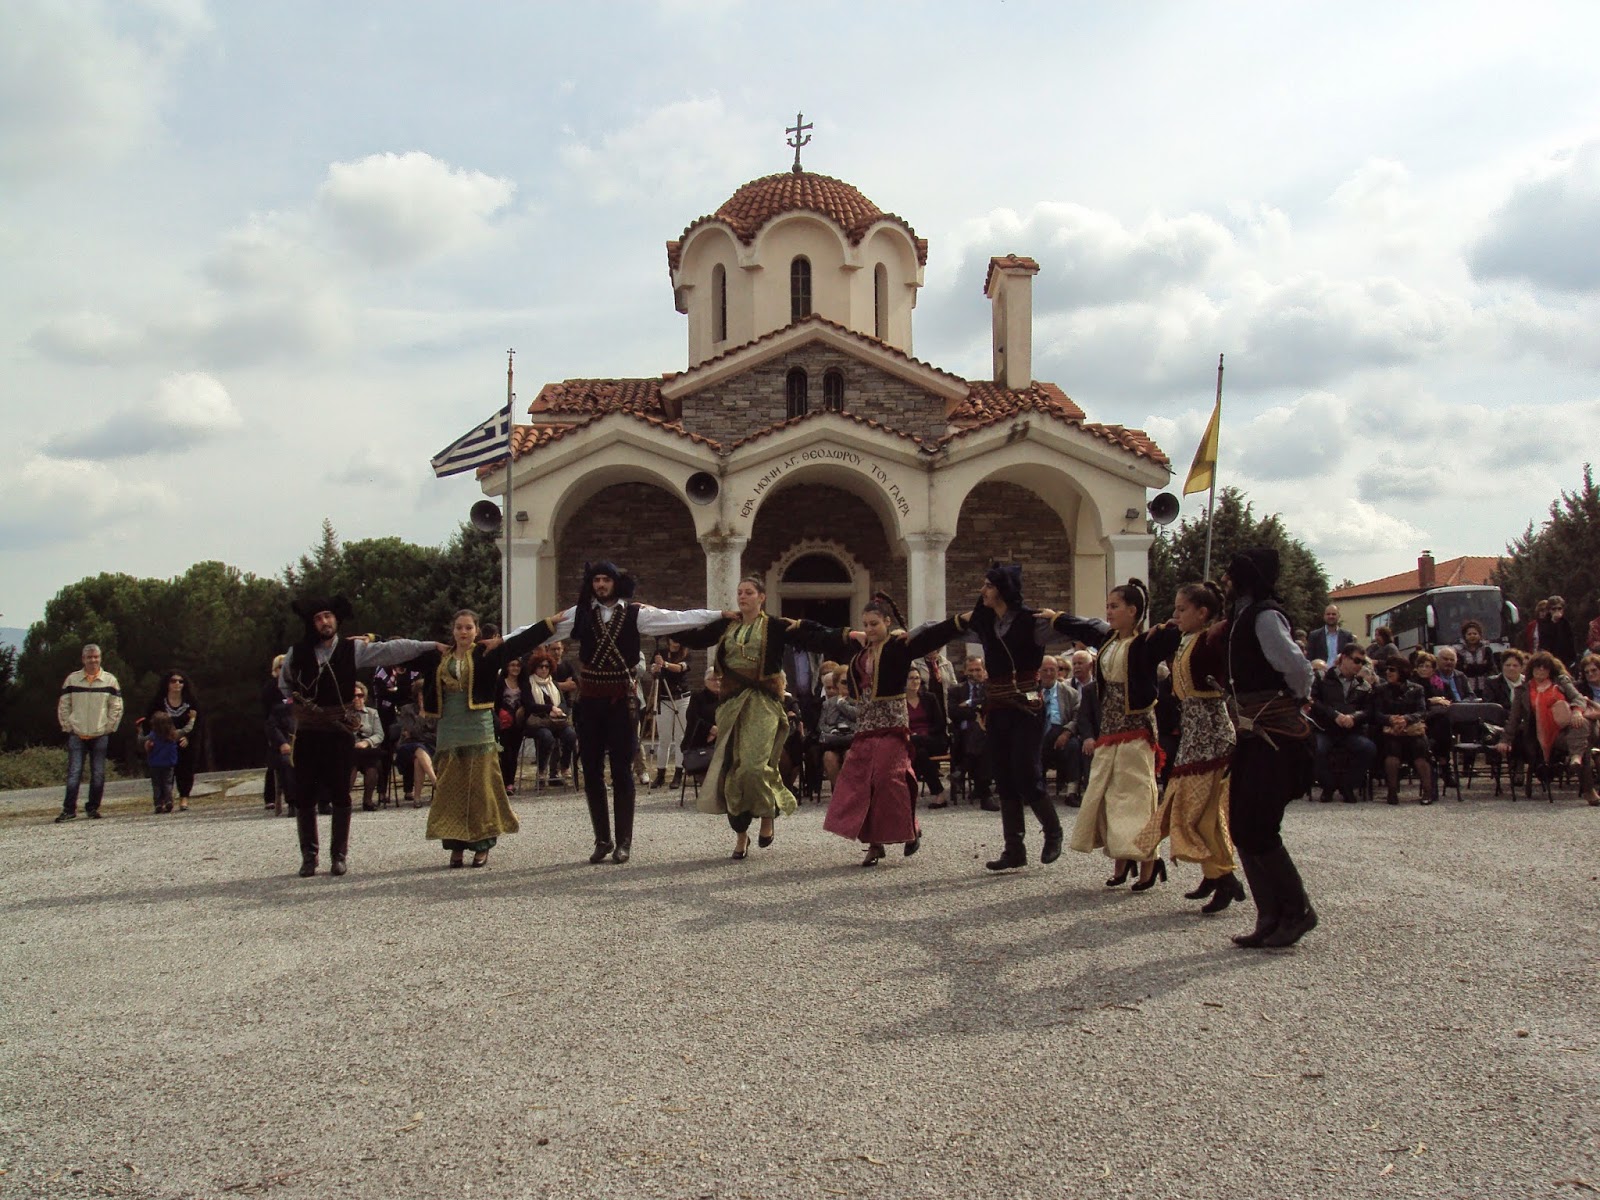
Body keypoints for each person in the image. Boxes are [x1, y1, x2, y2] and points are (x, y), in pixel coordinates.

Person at [506, 561, 723, 864]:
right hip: (590, 702)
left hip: (622, 702)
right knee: (592, 770)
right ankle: (602, 840)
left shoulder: (637, 614)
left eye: (606, 579)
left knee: (622, 770)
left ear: (616, 583)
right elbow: (540, 632)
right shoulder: (581, 613)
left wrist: (719, 615)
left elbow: (677, 619)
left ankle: (624, 842)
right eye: (596, 579)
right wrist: (502, 642)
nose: (601, 585)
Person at [278, 596, 442, 877]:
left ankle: (338, 856)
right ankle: (309, 857)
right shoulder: (297, 652)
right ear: (311, 623)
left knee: (341, 794)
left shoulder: (351, 649)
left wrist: (431, 646)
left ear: (336, 619)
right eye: (318, 618)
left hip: (340, 731)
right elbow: (284, 686)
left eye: (328, 616)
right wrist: (297, 709)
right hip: (308, 731)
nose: (324, 622)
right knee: (305, 795)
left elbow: (391, 650)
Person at [674, 576, 837, 859]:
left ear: (761, 597)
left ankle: (767, 813)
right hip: (731, 704)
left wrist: (850, 636)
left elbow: (812, 635)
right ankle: (740, 834)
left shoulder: (774, 626)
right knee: (732, 768)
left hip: (763, 702)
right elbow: (697, 638)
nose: (742, 597)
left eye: (748, 592)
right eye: (739, 592)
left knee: (753, 766)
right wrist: (659, 621)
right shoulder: (728, 625)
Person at [925, 564, 1074, 873]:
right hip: (998, 708)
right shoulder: (985, 624)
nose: (983, 591)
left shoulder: (1032, 622)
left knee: (1027, 772)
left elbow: (1076, 629)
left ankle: (1053, 831)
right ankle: (1014, 849)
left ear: (1003, 590)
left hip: (1027, 707)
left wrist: (1061, 619)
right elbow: (944, 629)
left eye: (988, 586)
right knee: (1004, 775)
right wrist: (911, 637)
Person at [1221, 547, 1316, 949]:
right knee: (1242, 826)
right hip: (1250, 734)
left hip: (1274, 734)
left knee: (1259, 825)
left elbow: (1297, 667)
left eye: (1231, 575)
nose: (1225, 581)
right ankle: (1269, 916)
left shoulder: (1264, 616)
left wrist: (1296, 699)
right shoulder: (1241, 616)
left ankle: (1297, 911)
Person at [813, 592, 951, 866]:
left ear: (887, 622)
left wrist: (909, 634)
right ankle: (874, 844)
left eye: (874, 623)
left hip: (892, 723)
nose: (869, 629)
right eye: (865, 624)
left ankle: (910, 827)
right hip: (866, 723)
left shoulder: (899, 645)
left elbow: (931, 633)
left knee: (889, 777)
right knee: (861, 780)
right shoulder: (862, 651)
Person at [1132, 581, 1244, 911]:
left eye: (1182, 609)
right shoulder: (1186, 639)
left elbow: (1229, 632)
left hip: (1212, 737)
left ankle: (1224, 877)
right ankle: (1214, 874)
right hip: (1194, 738)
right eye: (1176, 609)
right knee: (1187, 808)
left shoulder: (1211, 640)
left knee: (1203, 814)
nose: (1176, 615)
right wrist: (1163, 628)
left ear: (1203, 613)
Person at [410, 610, 545, 868]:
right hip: (450, 727)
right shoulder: (440, 655)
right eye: (459, 627)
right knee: (450, 788)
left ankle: (482, 844)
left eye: (468, 627)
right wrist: (371, 639)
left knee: (481, 787)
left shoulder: (486, 653)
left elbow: (521, 642)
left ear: (476, 630)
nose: (463, 632)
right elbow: (401, 652)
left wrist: (551, 623)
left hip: (478, 727)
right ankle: (456, 845)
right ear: (453, 630)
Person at [1053, 580, 1163, 887]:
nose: (1109, 612)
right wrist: (1055, 618)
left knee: (1137, 796)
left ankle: (1149, 861)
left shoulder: (1144, 643)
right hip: (1110, 728)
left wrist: (1172, 624)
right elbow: (1085, 627)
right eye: (1108, 606)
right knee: (1109, 795)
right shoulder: (1109, 640)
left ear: (1133, 611)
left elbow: (1169, 639)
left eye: (1115, 606)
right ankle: (1121, 860)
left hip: (1136, 728)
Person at [1497, 651, 1595, 803]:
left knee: (1581, 724)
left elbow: (1578, 698)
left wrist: (1576, 711)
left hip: (1567, 729)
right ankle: (1587, 786)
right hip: (1542, 735)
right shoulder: (1523, 690)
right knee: (1583, 746)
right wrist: (1505, 740)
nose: (1541, 670)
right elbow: (1514, 719)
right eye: (1537, 667)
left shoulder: (1561, 682)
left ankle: (1577, 759)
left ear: (1550, 669)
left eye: (1545, 667)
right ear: (1531, 669)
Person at [55, 644, 123, 823]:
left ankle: (92, 808)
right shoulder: (72, 680)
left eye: (96, 657)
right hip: (77, 734)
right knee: (74, 773)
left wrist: (109, 727)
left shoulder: (110, 681)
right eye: (89, 657)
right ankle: (69, 810)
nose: (93, 660)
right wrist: (67, 725)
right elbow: (64, 704)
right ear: (83, 659)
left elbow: (116, 706)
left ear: (100, 658)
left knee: (98, 774)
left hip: (100, 734)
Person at [1310, 645, 1376, 803]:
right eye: (1356, 660)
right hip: (1325, 729)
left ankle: (1348, 785)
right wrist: (1334, 715)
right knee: (1316, 749)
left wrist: (1354, 717)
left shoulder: (1363, 685)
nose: (1359, 665)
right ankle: (1328, 786)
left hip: (1350, 732)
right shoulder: (1322, 678)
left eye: (1362, 662)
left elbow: (1369, 710)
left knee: (1368, 748)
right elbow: (1314, 701)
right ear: (1344, 658)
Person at [1373, 658, 1432, 805]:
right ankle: (1392, 791)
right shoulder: (1381, 690)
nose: (1388, 672)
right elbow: (1376, 713)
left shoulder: (1416, 689)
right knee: (1392, 750)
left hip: (1412, 730)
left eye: (1392, 670)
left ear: (1402, 672)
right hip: (1391, 731)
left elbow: (1422, 712)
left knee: (1419, 748)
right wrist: (1391, 719)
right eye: (1387, 669)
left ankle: (1427, 791)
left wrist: (1406, 719)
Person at [141, 672, 200, 811]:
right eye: (173, 681)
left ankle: (184, 797)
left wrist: (189, 737)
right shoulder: (158, 702)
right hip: (162, 745)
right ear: (167, 683)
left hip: (183, 742)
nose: (177, 684)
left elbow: (197, 723)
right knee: (162, 776)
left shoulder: (191, 702)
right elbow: (147, 722)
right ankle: (163, 801)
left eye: (180, 681)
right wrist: (149, 740)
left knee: (185, 770)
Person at [523, 652, 576, 786]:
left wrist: (559, 711)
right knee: (546, 737)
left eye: (547, 666)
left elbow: (563, 703)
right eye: (540, 666)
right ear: (534, 668)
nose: (544, 669)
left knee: (571, 735)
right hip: (538, 722)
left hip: (556, 721)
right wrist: (550, 709)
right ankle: (542, 770)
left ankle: (564, 766)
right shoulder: (528, 684)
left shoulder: (554, 684)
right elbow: (530, 706)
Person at [947, 657, 992, 807]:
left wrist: (969, 703)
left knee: (982, 739)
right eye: (971, 670)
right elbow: (953, 713)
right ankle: (985, 794)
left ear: (984, 671)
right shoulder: (955, 690)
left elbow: (990, 705)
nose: (974, 673)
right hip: (962, 736)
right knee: (978, 733)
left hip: (988, 733)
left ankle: (962, 770)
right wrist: (976, 714)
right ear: (965, 672)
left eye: (978, 670)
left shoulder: (990, 688)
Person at [649, 638, 693, 789]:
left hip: (682, 698)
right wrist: (655, 668)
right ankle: (660, 774)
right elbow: (653, 670)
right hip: (664, 699)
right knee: (664, 738)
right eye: (673, 638)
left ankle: (678, 774)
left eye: (679, 638)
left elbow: (681, 668)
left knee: (681, 737)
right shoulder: (659, 653)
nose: (676, 641)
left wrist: (665, 664)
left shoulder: (686, 654)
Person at [905, 667, 949, 807]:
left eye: (917, 678)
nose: (915, 681)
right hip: (912, 743)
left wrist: (921, 735)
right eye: (911, 678)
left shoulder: (930, 698)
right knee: (920, 753)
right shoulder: (900, 702)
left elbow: (940, 724)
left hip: (934, 739)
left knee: (915, 743)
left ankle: (908, 792)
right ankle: (939, 794)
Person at [1038, 656, 1080, 800]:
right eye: (1045, 670)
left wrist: (1067, 733)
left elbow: (1077, 717)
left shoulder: (1070, 693)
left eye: (1052, 670)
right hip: (1039, 732)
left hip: (1062, 731)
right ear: (1039, 672)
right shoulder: (1033, 691)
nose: (1049, 673)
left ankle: (1072, 792)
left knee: (1074, 746)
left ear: (1057, 671)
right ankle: (1036, 790)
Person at [395, 679, 439, 804]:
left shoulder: (436, 711)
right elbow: (411, 732)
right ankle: (435, 781)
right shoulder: (406, 710)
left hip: (430, 747)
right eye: (422, 694)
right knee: (418, 748)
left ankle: (417, 798)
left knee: (418, 758)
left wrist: (417, 735)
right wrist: (421, 714)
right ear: (416, 695)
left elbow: (437, 735)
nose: (424, 697)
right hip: (407, 748)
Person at [262, 655, 295, 816]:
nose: (284, 669)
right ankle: (288, 801)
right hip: (278, 731)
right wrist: (281, 741)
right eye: (281, 666)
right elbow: (270, 717)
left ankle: (323, 801)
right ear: (275, 669)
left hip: (297, 730)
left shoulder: (297, 686)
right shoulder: (270, 688)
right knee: (282, 763)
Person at [494, 654, 529, 795]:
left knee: (514, 754)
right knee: (505, 753)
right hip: (503, 724)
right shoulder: (500, 683)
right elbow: (496, 702)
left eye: (518, 665)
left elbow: (528, 702)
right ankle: (503, 781)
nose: (515, 668)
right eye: (512, 665)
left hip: (518, 724)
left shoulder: (524, 684)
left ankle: (510, 783)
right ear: (507, 667)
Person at [817, 669, 858, 784]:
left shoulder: (857, 701)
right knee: (829, 757)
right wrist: (833, 730)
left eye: (850, 682)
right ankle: (838, 790)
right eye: (844, 682)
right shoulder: (828, 703)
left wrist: (841, 704)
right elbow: (822, 725)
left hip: (852, 740)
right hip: (834, 741)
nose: (847, 685)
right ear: (836, 684)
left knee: (849, 755)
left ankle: (849, 789)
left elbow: (857, 717)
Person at [351, 682, 386, 810]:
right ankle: (344, 800)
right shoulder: (344, 714)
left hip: (367, 749)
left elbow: (379, 734)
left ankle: (368, 800)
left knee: (372, 765)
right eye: (354, 696)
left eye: (360, 695)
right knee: (350, 765)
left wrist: (366, 742)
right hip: (351, 749)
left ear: (364, 697)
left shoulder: (372, 713)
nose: (357, 698)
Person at [144, 711, 181, 815]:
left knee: (156, 784)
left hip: (155, 764)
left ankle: (158, 804)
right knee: (167, 783)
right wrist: (192, 720)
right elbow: (186, 729)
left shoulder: (152, 736)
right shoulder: (173, 735)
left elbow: (143, 743)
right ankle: (168, 800)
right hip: (169, 763)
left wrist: (139, 731)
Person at [1455, 621, 1493, 698]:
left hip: (1485, 687)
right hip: (1467, 688)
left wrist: (1470, 667)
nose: (1472, 636)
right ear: (1465, 636)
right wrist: (1481, 667)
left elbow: (1490, 668)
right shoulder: (1459, 652)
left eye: (1475, 634)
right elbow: (1461, 670)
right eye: (1469, 634)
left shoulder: (1486, 650)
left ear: (1480, 635)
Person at [1538, 596, 1577, 669]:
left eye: (1559, 608)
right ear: (1549, 610)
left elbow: (1571, 642)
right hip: (1550, 659)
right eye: (1554, 609)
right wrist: (1553, 623)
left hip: (1566, 660)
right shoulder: (1544, 623)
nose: (1557, 611)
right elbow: (1544, 642)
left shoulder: (1566, 623)